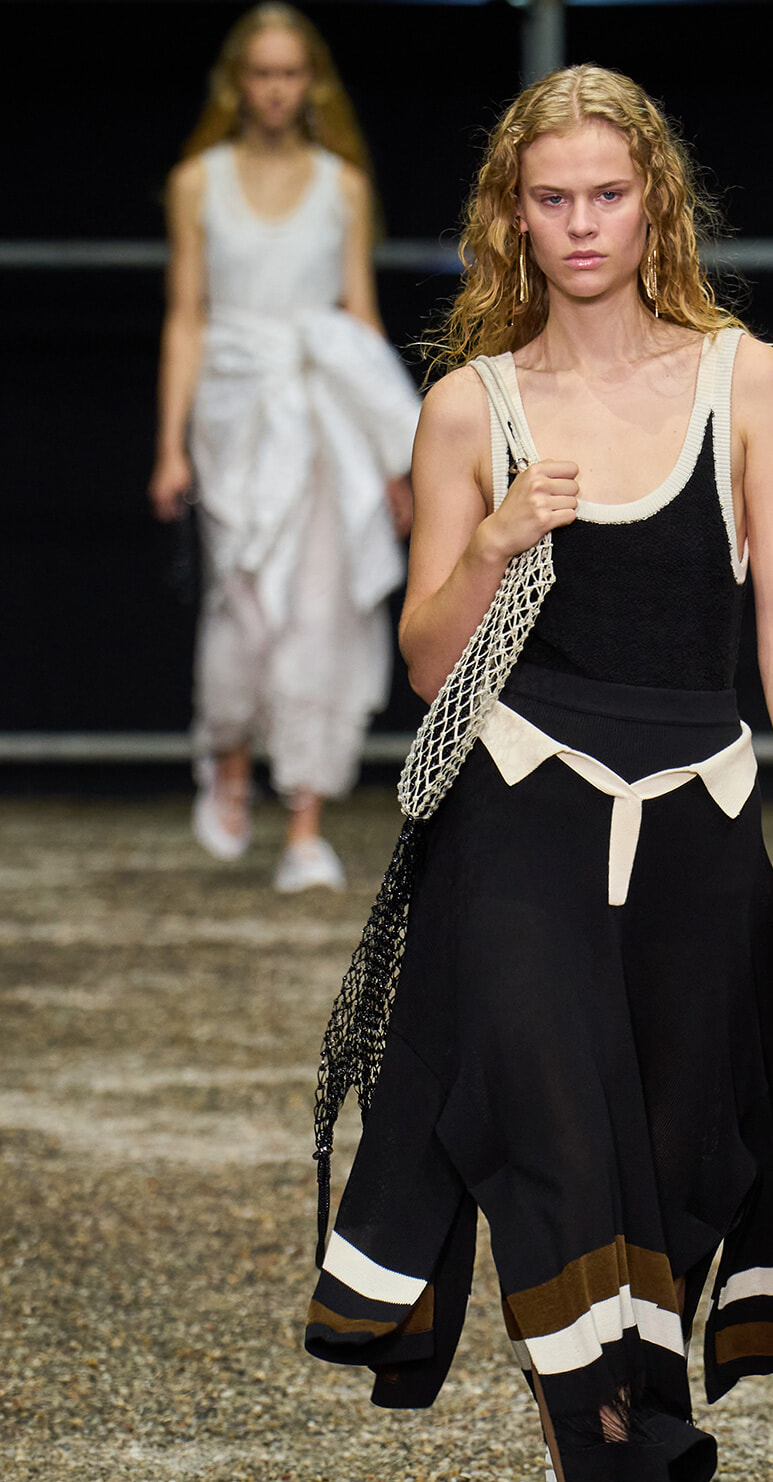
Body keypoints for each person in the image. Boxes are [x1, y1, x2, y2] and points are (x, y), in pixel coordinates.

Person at [304, 65, 773, 1482]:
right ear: (510, 213)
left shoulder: (743, 381)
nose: (578, 226)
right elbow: (426, 666)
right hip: (518, 830)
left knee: (684, 1175)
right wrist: (494, 537)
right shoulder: (466, 408)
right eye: (547, 200)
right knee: (558, 1171)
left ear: (656, 205)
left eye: (606, 197)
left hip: (701, 824)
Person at [149, 4, 421, 892]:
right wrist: (170, 448)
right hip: (233, 412)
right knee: (242, 603)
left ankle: (304, 821)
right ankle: (228, 757)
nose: (275, 88)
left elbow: (361, 321)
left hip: (322, 413)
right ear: (238, 80)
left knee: (319, 607)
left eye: (291, 72)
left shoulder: (342, 184)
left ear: (312, 82)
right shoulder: (198, 181)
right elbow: (185, 319)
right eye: (261, 72)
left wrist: (393, 455)